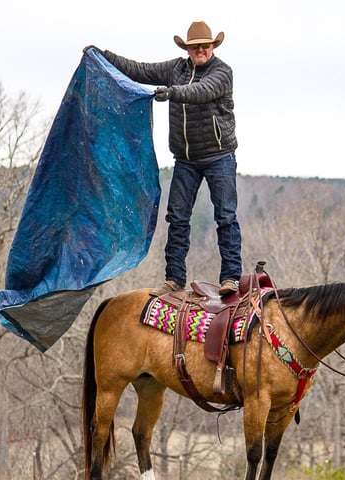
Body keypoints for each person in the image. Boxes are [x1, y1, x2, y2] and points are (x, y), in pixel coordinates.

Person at [85, 21, 242, 296]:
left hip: (219, 157)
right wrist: (104, 56)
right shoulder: (175, 69)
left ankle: (230, 278)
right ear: (188, 49)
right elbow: (140, 70)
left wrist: (172, 92)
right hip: (185, 159)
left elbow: (201, 91)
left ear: (213, 46)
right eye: (195, 47)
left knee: (225, 216)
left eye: (205, 45)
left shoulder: (222, 72)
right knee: (178, 217)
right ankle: (174, 278)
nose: (200, 50)